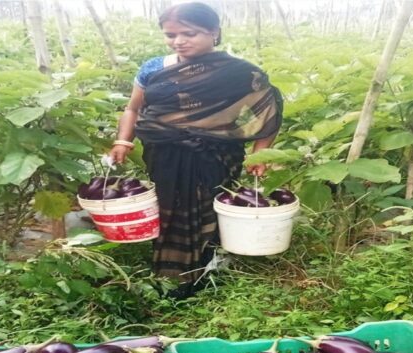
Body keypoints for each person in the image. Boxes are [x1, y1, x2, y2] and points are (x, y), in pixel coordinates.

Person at [109, 2, 283, 298]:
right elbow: (133, 108)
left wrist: (259, 153)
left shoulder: (239, 73)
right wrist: (123, 140)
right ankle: (168, 274)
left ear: (214, 32)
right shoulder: (153, 68)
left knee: (209, 209)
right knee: (168, 209)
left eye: (189, 33)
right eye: (170, 35)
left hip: (214, 154)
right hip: (163, 154)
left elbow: (269, 110)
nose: (179, 41)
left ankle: (209, 271)